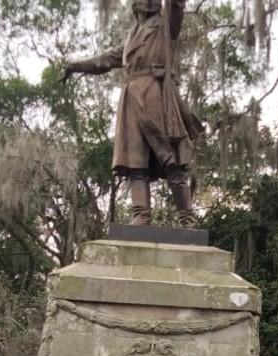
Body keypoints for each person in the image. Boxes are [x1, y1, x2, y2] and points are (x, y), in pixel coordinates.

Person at [61, 0, 201, 226]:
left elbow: (176, 6)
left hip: (156, 97)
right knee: (136, 161)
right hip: (131, 100)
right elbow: (103, 61)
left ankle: (186, 217)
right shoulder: (130, 38)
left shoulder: (165, 26)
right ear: (135, 6)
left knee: (170, 159)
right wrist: (75, 66)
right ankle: (142, 214)